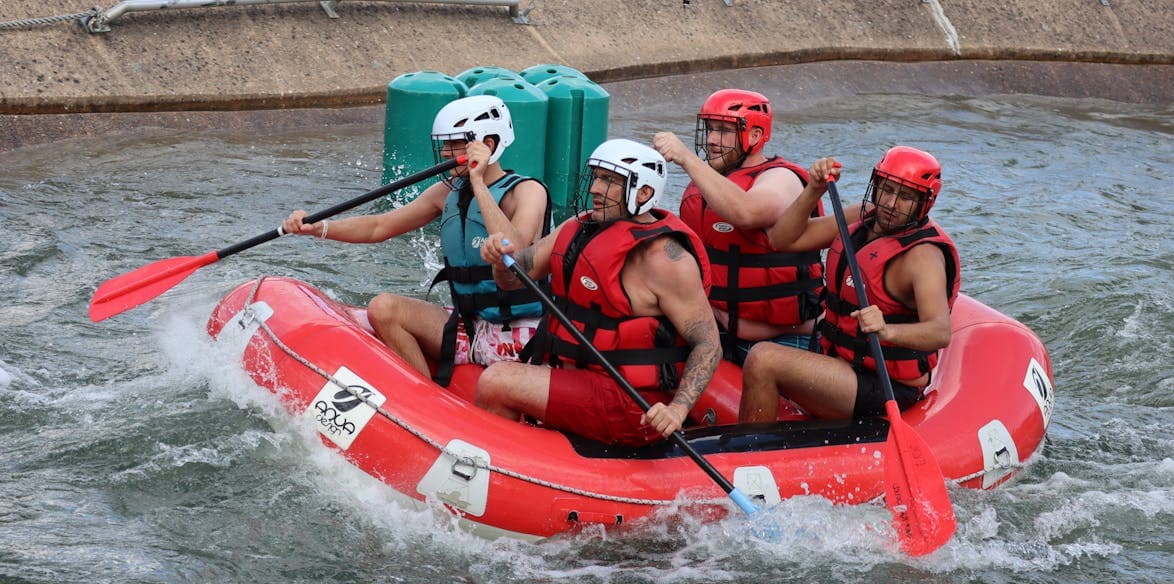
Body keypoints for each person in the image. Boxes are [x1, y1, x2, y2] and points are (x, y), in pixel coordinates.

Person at [282, 95, 551, 383]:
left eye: (455, 143)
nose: (446, 152)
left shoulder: (528, 191)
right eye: (444, 144)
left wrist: (478, 183)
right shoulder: (446, 193)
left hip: (520, 334)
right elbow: (379, 226)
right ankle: (425, 398)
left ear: (488, 145)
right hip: (469, 326)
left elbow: (517, 251)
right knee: (383, 308)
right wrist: (319, 228)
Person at [476, 139, 721, 446]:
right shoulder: (579, 227)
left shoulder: (666, 259)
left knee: (496, 382)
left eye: (609, 181)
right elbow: (516, 275)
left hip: (630, 405)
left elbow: (709, 343)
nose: (594, 188)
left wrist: (678, 409)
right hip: (579, 379)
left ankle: (499, 471)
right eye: (596, 177)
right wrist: (499, 257)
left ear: (643, 193)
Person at [739, 146, 961, 423]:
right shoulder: (863, 217)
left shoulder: (922, 257)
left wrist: (887, 330)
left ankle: (751, 457)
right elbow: (783, 240)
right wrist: (814, 189)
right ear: (876, 185)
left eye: (905, 197)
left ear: (924, 203)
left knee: (763, 359)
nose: (891, 204)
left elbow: (940, 331)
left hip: (885, 385)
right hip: (840, 363)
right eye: (888, 190)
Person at [653, 88, 825, 364]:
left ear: (755, 136)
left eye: (723, 131)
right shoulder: (707, 185)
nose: (711, 140)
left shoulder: (781, 177)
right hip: (717, 335)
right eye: (709, 129)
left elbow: (747, 212)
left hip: (784, 343)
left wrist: (686, 157)